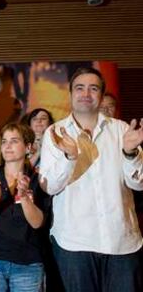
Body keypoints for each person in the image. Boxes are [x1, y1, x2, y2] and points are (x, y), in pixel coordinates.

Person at [40, 67, 143, 292]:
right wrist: (69, 157)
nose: (86, 93)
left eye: (93, 88)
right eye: (80, 88)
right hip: (74, 243)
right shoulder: (54, 133)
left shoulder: (122, 130)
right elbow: (49, 187)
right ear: (70, 94)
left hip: (121, 241)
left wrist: (130, 153)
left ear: (101, 95)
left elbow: (139, 183)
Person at [0, 123, 50, 291]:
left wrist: (24, 197)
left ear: (28, 147)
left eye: (14, 141)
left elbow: (37, 223)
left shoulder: (38, 180)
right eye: (4, 141)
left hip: (28, 265)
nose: (7, 146)